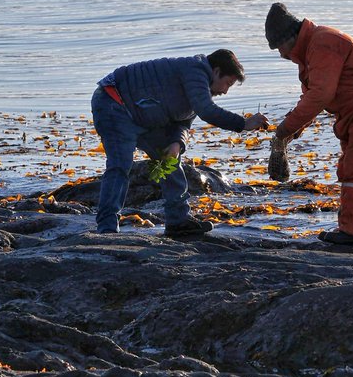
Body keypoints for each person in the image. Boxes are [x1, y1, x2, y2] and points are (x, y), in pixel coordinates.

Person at [92, 49, 269, 238]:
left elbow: (185, 120)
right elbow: (206, 111)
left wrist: (177, 143)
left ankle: (178, 221)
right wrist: (243, 123)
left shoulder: (200, 85)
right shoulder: (195, 70)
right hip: (113, 101)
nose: (225, 91)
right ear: (216, 71)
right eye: (227, 83)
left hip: (143, 115)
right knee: (120, 166)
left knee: (170, 162)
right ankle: (107, 228)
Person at [265, 3, 353, 248]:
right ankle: (349, 228)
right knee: (349, 168)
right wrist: (289, 134)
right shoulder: (309, 52)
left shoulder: (323, 43)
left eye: (279, 48)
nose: (281, 55)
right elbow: (310, 98)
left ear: (290, 38)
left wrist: (283, 131)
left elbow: (320, 96)